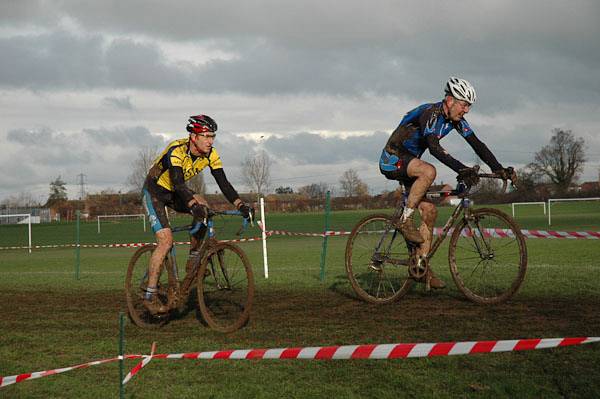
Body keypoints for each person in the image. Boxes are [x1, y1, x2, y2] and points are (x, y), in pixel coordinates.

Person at [379, 77, 515, 288]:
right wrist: (461, 169)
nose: (467, 110)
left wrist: (499, 169)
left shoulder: (456, 121)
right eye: (464, 104)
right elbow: (434, 148)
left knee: (430, 212)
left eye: (469, 106)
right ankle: (405, 220)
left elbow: (477, 144)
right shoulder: (430, 114)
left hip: (410, 167)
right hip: (393, 158)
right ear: (450, 100)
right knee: (429, 171)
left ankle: (420, 266)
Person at [141, 114, 252, 314]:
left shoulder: (211, 154)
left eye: (213, 136)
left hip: (175, 192)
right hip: (155, 192)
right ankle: (150, 294)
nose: (211, 141)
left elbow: (223, 183)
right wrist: (192, 204)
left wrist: (240, 205)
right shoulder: (176, 151)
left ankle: (194, 257)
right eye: (207, 136)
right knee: (165, 241)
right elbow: (178, 182)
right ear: (194, 137)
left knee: (204, 206)